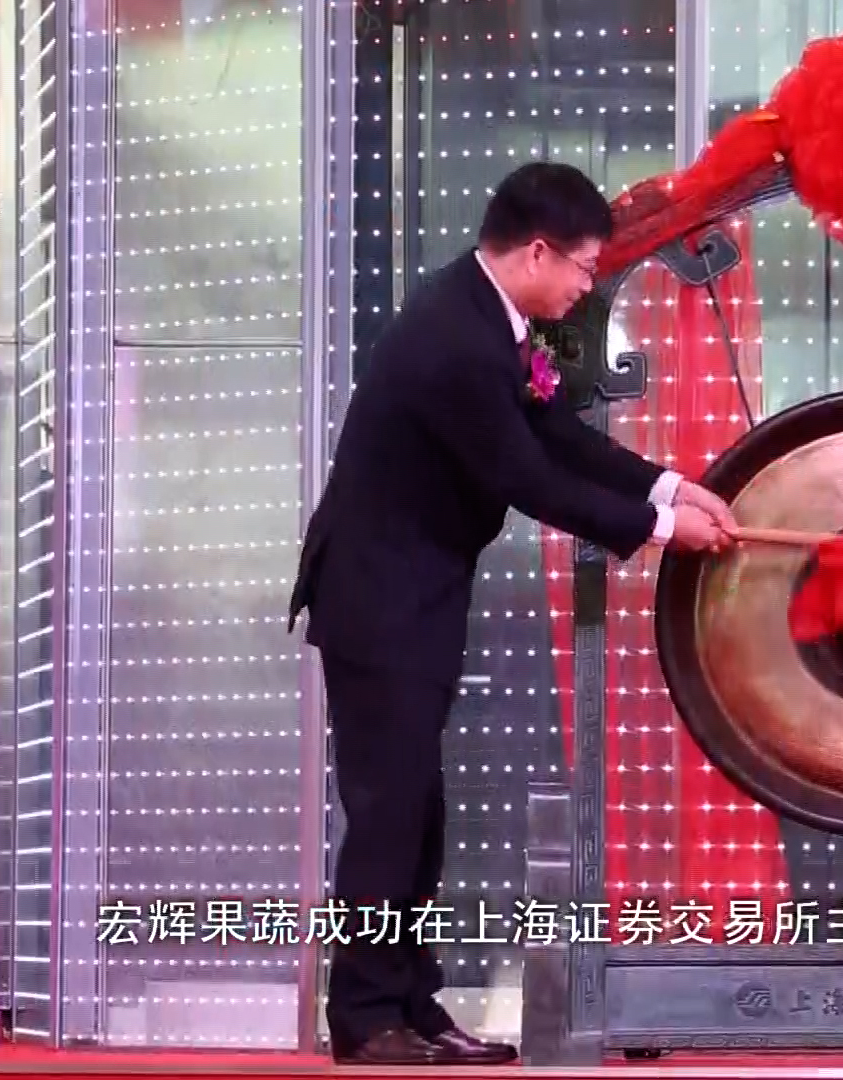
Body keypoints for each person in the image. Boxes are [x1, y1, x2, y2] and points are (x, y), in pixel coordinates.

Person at [288, 162, 736, 1065]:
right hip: (378, 600)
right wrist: (658, 531)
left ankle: (412, 1005)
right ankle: (366, 1017)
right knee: (388, 815)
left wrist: (669, 485)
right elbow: (525, 477)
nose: (585, 287)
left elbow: (551, 431)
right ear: (537, 252)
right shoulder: (455, 337)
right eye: (583, 268)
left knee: (418, 816)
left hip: (416, 594)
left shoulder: (489, 317)